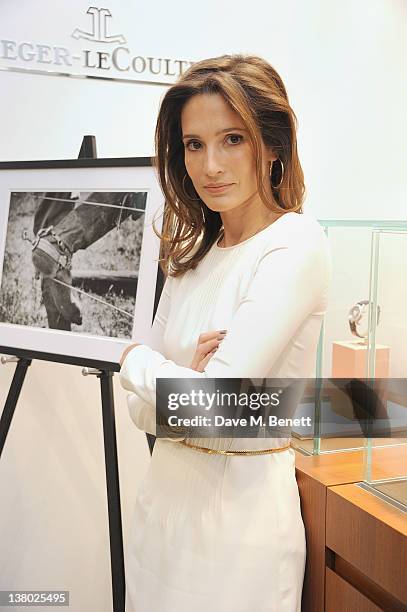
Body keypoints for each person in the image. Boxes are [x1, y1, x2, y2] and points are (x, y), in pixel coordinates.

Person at [119, 54, 332, 612]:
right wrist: (185, 385)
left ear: (274, 144)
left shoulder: (295, 244)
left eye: (232, 139)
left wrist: (140, 364)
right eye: (193, 144)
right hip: (159, 515)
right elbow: (144, 417)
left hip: (237, 531)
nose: (210, 164)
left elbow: (214, 412)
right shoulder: (194, 255)